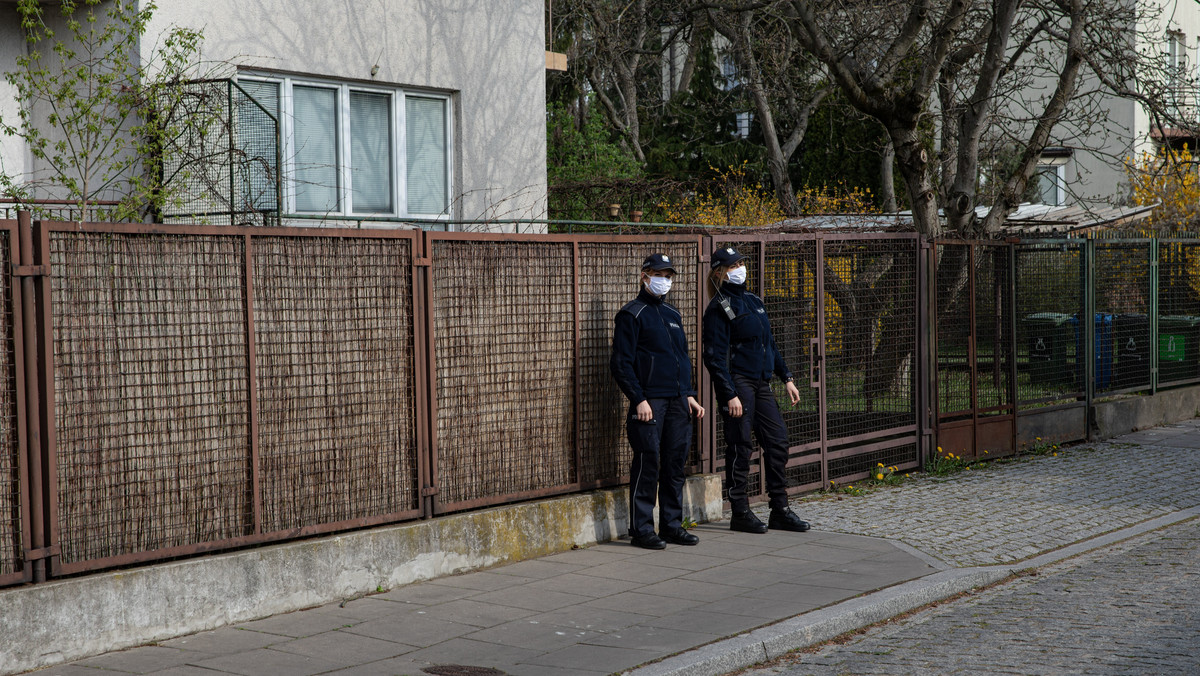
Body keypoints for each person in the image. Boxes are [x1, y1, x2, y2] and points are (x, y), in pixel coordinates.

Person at [702, 247, 810, 534]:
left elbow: (769, 344)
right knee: (740, 445)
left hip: (761, 383)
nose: (740, 268)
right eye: (733, 265)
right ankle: (740, 511)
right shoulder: (718, 308)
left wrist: (786, 377)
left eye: (741, 263)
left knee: (778, 442)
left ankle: (780, 508)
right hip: (738, 382)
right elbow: (713, 357)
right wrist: (728, 393)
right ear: (719, 272)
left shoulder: (753, 301)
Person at [611, 253, 706, 549]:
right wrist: (638, 399)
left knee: (674, 463)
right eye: (659, 274)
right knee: (647, 462)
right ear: (644, 275)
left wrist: (689, 395)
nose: (664, 280)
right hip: (650, 402)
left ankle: (672, 525)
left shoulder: (673, 315)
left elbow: (682, 359)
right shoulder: (631, 313)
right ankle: (641, 530)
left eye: (668, 275)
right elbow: (621, 363)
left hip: (678, 402)